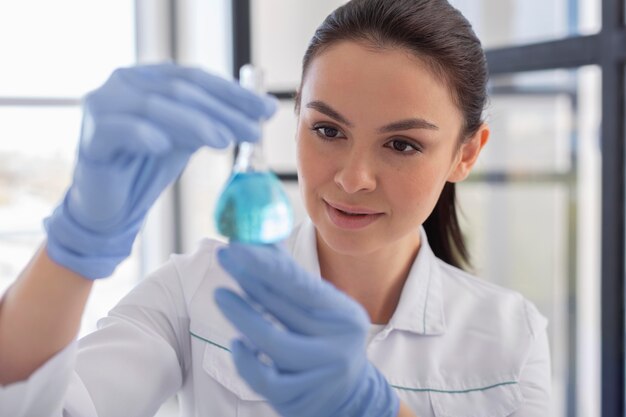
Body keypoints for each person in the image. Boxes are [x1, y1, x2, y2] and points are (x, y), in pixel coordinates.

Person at [0, 0, 551, 416]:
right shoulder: (197, 289)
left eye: (402, 144)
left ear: (467, 152)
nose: (353, 178)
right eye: (327, 129)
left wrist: (375, 408)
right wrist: (76, 245)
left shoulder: (510, 338)